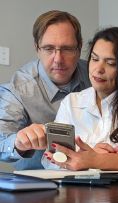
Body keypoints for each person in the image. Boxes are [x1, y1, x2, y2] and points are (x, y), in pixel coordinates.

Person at [43, 27, 118, 171]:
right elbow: (49, 159)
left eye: (111, 63)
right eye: (94, 59)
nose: (98, 69)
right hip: (76, 191)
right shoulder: (71, 102)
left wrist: (95, 160)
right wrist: (84, 158)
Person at [0, 10, 91, 170]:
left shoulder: (95, 76)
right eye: (49, 48)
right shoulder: (18, 88)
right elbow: (1, 141)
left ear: (79, 47)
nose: (58, 59)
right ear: (37, 48)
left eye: (67, 49)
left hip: (93, 178)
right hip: (38, 186)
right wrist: (18, 142)